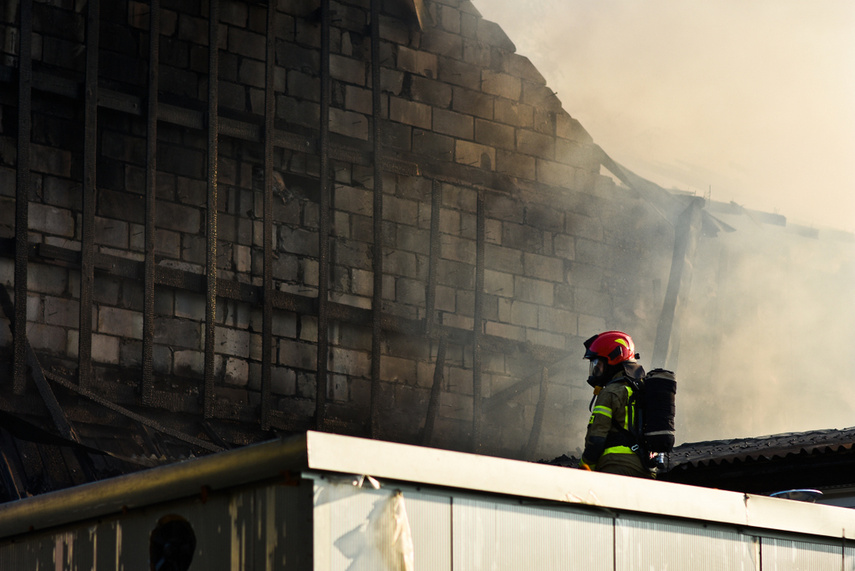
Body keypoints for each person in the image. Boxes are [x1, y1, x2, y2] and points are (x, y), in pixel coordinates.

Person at [578, 330, 651, 478]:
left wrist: (585, 467)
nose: (596, 370)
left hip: (615, 466)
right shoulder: (645, 389)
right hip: (646, 469)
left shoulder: (610, 392)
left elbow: (596, 438)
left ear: (613, 360)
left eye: (598, 364)